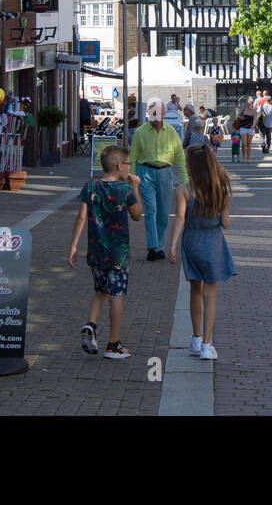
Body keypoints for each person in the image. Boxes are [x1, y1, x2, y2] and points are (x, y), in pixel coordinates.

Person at [67, 145, 143, 359]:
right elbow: (137, 215)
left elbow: (81, 217)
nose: (129, 168)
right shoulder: (124, 190)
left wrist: (73, 246)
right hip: (118, 254)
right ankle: (113, 344)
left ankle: (90, 325)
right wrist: (135, 186)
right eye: (128, 165)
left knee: (100, 290)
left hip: (95, 251)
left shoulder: (90, 187)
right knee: (116, 296)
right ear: (120, 166)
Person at [169, 144, 236, 361]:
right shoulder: (220, 188)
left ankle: (195, 338)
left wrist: (172, 244)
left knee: (195, 289)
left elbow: (180, 219)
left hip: (191, 240)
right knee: (211, 293)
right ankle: (208, 344)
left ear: (191, 166)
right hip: (213, 241)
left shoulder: (183, 191)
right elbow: (225, 223)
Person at [129, 97, 189, 261]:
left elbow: (179, 157)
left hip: (165, 172)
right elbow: (133, 157)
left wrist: (184, 180)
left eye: (159, 112)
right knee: (151, 209)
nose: (156, 116)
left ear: (164, 113)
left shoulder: (171, 132)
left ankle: (160, 247)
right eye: (153, 113)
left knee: (163, 212)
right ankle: (152, 247)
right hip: (145, 172)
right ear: (149, 113)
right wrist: (132, 179)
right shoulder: (140, 132)